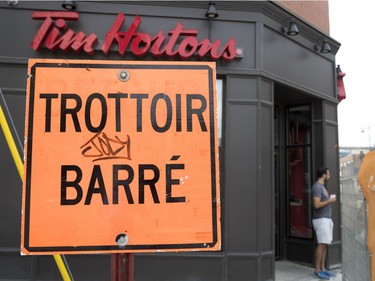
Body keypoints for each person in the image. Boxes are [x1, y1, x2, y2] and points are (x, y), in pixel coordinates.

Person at [311, 167, 336, 280]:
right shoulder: (317, 187)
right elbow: (316, 205)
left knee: (325, 244)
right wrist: (329, 201)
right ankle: (317, 270)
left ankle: (323, 269)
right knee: (321, 244)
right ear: (324, 175)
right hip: (321, 220)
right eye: (328, 174)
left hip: (326, 219)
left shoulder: (322, 187)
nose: (329, 176)